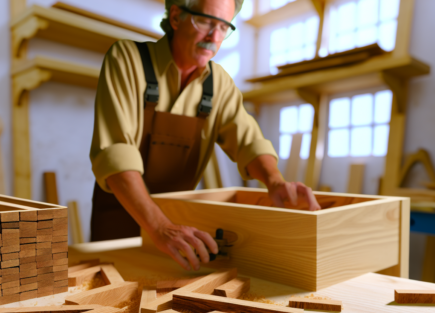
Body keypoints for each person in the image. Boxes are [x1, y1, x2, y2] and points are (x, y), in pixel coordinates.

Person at [90, 0, 321, 271]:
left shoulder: (219, 83)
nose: (214, 37)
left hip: (179, 230)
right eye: (206, 22)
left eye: (223, 27)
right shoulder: (127, 59)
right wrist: (160, 227)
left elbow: (248, 141)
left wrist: (275, 182)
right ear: (176, 17)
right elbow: (116, 153)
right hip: (121, 224)